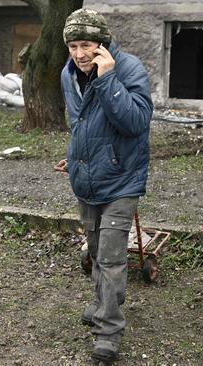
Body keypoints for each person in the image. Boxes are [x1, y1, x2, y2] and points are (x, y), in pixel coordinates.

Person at [53, 8, 153, 364]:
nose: (79, 54)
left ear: (103, 44)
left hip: (123, 179)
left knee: (111, 257)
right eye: (73, 45)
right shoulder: (68, 74)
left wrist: (108, 79)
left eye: (87, 45)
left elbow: (136, 123)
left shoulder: (129, 70)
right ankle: (101, 302)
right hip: (87, 178)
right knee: (96, 250)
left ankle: (108, 331)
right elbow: (81, 124)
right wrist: (76, 156)